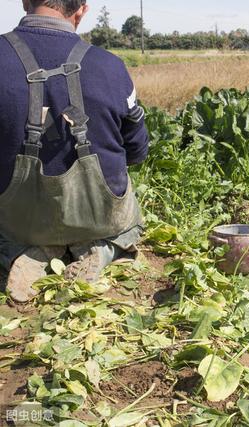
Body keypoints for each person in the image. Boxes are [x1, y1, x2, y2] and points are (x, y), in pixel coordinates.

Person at [0, 0, 149, 302]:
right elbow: (136, 151)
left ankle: (27, 250)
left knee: (7, 230)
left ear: (24, 2)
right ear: (81, 9)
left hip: (20, 220)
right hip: (99, 217)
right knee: (125, 223)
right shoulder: (111, 67)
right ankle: (103, 248)